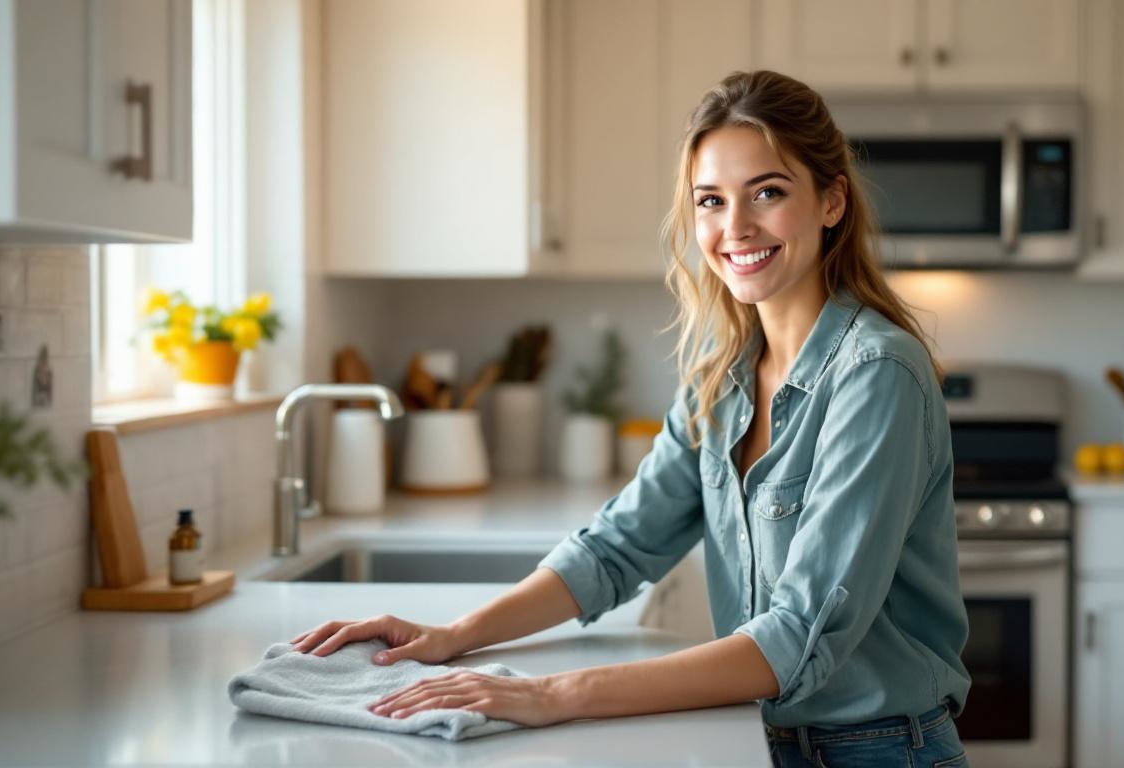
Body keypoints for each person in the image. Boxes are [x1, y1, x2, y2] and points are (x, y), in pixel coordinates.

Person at [290, 70, 971, 767]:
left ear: (831, 201)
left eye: (768, 192)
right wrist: (453, 635)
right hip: (765, 742)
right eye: (711, 200)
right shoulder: (722, 371)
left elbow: (800, 634)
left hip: (883, 750)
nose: (735, 227)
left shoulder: (876, 374)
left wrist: (554, 694)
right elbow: (617, 548)